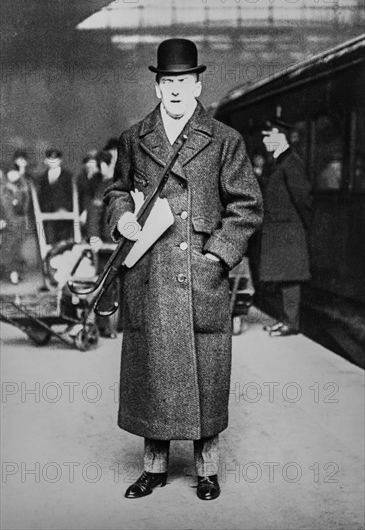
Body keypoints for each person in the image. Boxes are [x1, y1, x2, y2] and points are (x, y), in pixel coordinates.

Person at [104, 38, 263, 500]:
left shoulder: (225, 140)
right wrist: (121, 217)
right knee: (154, 372)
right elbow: (116, 190)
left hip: (199, 276)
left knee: (204, 377)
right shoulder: (135, 138)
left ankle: (207, 469)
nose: (175, 90)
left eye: (183, 81)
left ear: (198, 85)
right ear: (157, 87)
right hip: (150, 272)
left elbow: (247, 205)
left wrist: (217, 255)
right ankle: (153, 468)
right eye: (167, 81)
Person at [259, 122, 313, 336]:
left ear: (281, 137)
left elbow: (304, 199)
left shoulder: (291, 163)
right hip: (281, 231)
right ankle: (285, 320)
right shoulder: (280, 162)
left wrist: (301, 227)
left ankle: (291, 323)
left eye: (268, 135)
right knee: (283, 278)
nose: (264, 141)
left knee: (290, 278)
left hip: (289, 231)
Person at [86, 151, 118, 338]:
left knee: (119, 286)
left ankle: (120, 326)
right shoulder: (102, 186)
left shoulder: (118, 183)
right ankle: (104, 326)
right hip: (107, 243)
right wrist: (94, 237)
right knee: (106, 285)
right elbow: (94, 214)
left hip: (121, 242)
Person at [37, 149, 74, 245]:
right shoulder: (42, 179)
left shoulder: (68, 177)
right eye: (50, 159)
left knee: (65, 245)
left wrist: (65, 209)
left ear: (60, 160)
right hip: (48, 219)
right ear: (46, 161)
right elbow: (41, 198)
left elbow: (72, 196)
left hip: (65, 219)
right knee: (49, 245)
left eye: (56, 159)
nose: (53, 162)